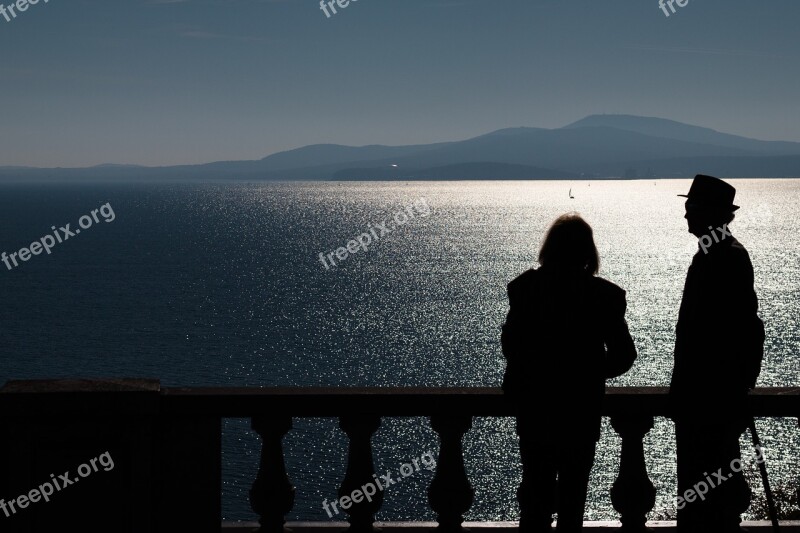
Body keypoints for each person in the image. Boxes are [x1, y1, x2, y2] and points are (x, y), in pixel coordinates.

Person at [501, 213, 638, 533]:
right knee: (573, 501)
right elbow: (624, 355)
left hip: (535, 411)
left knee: (535, 498)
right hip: (580, 413)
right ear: (588, 252)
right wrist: (587, 373)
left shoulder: (525, 289)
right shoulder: (604, 296)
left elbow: (512, 346)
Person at [670, 174, 765, 533]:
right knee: (709, 487)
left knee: (706, 489)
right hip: (711, 398)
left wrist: (736, 384)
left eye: (691, 208)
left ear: (710, 213)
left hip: (709, 399)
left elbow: (741, 330)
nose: (685, 216)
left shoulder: (724, 258)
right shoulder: (720, 253)